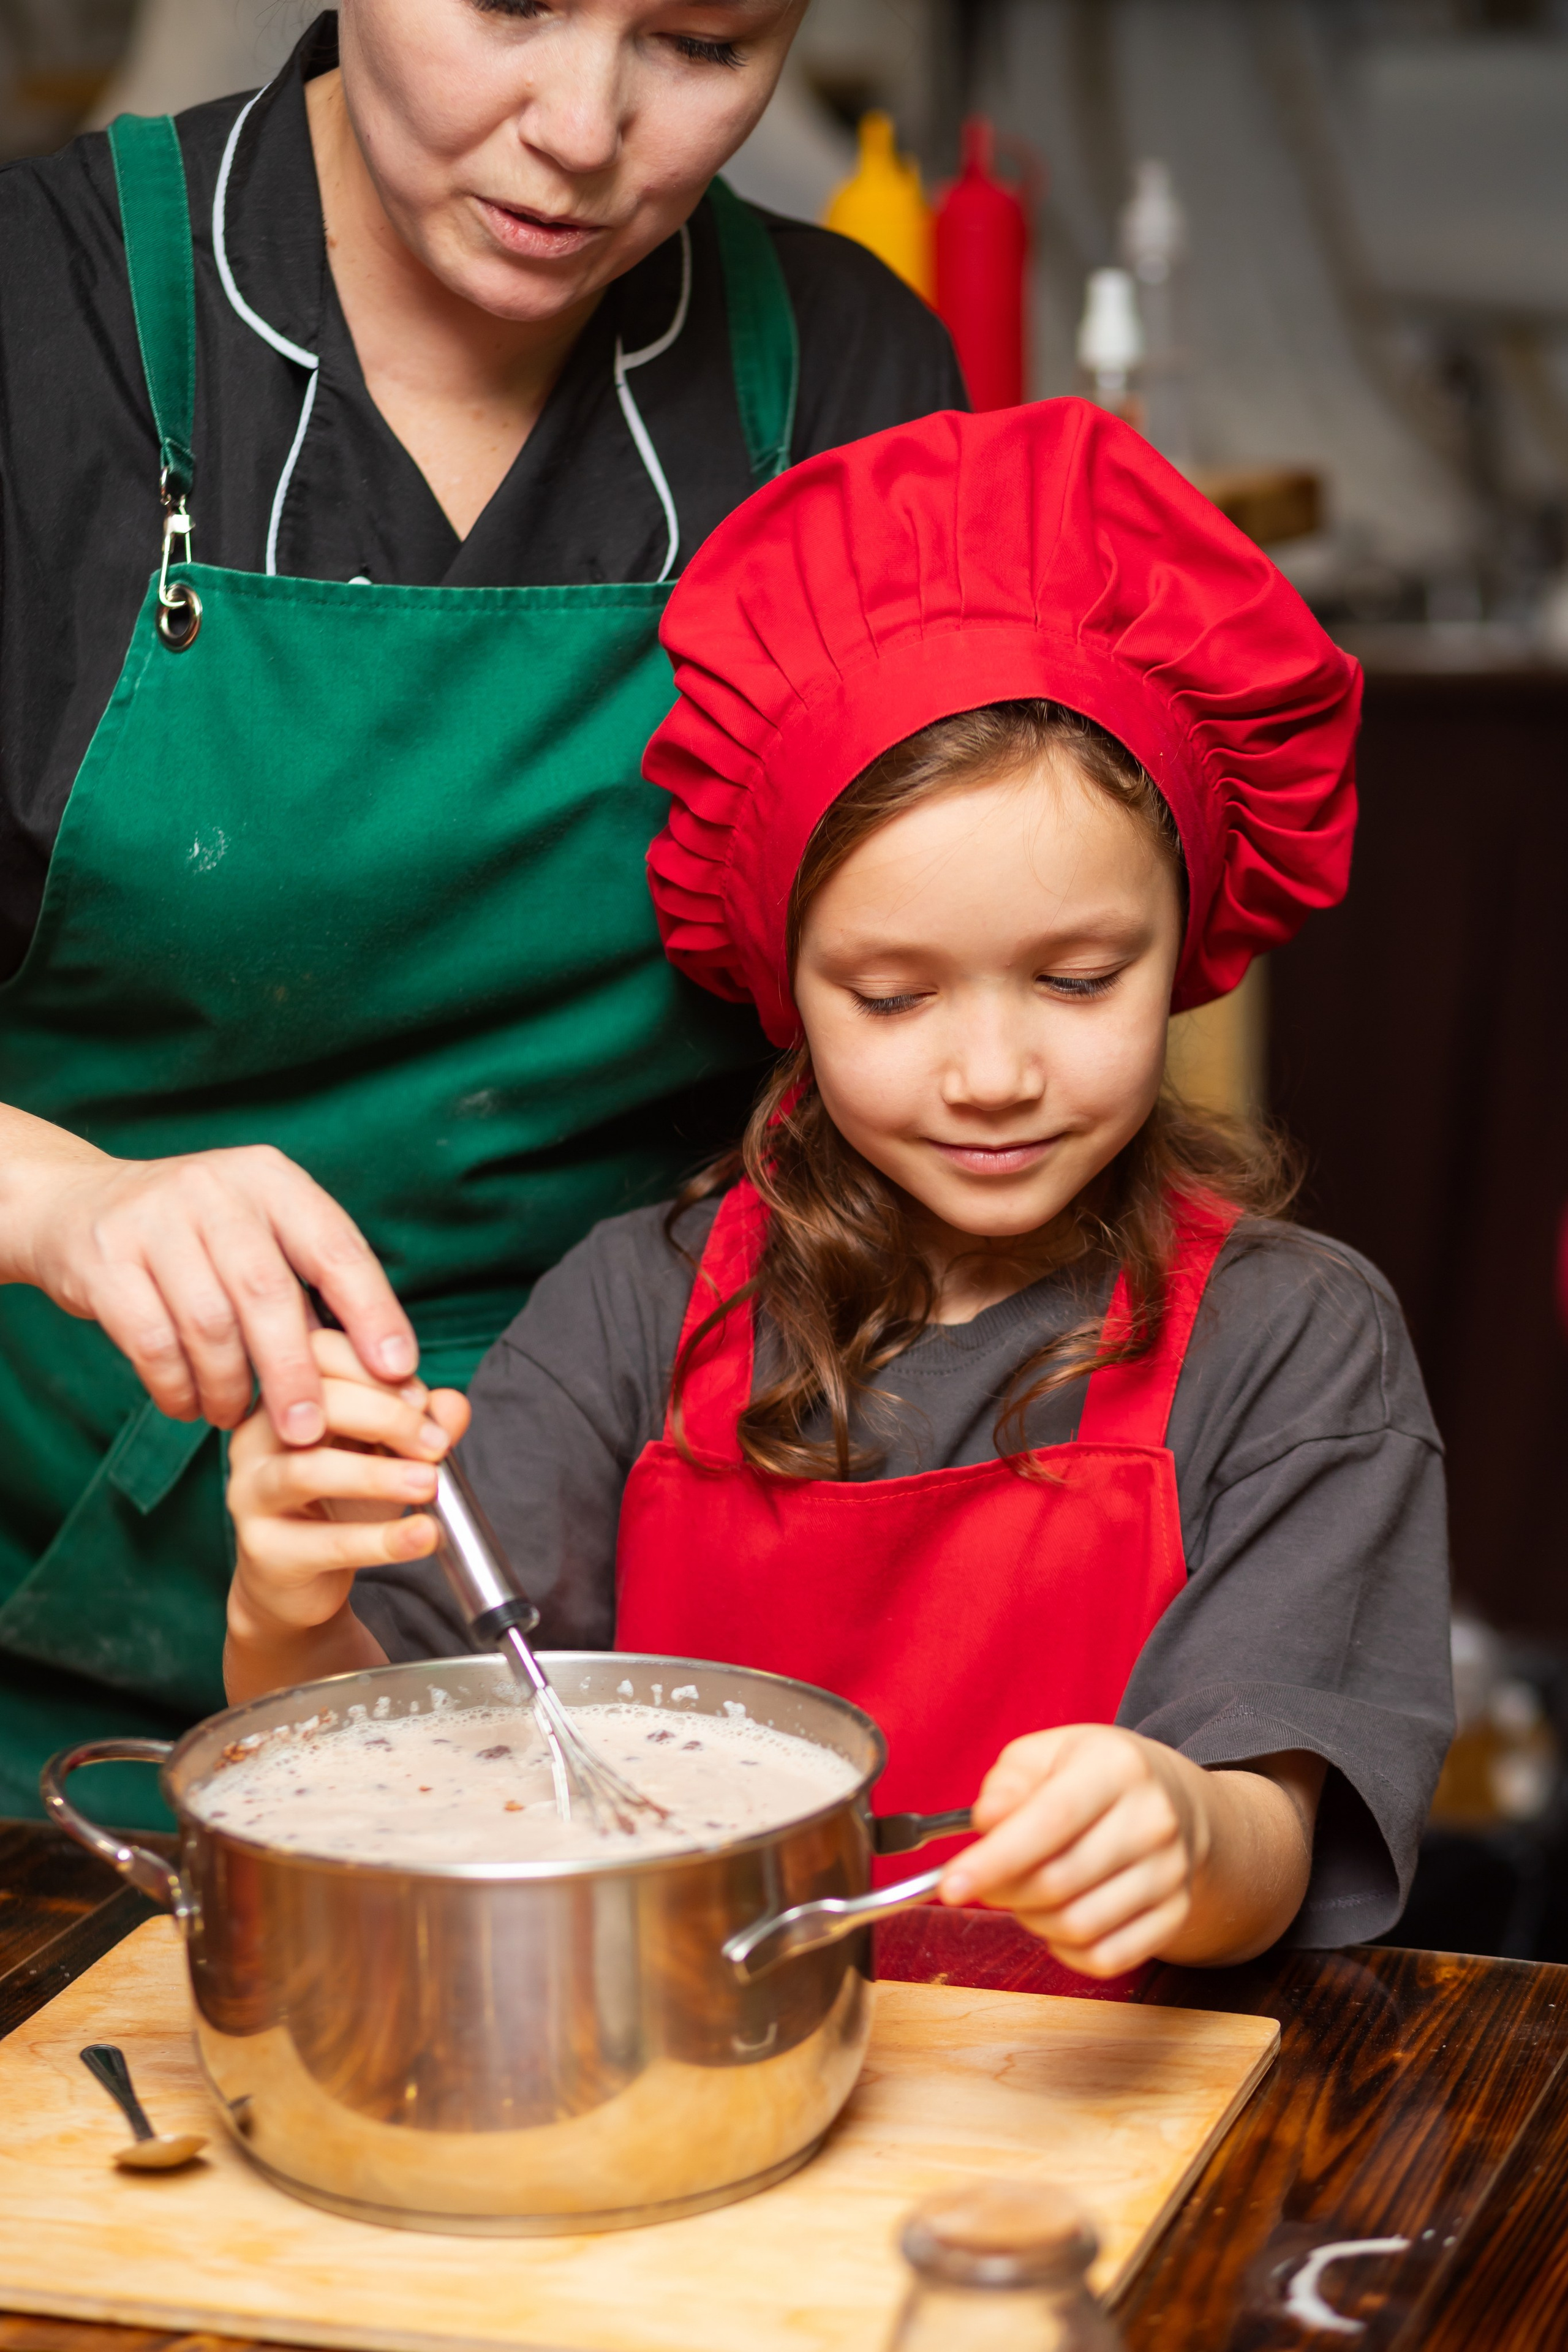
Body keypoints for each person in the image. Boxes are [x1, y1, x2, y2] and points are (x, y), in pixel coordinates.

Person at [225, 402, 1453, 1976]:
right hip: (682, 2102)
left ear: (1186, 946)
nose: (992, 1070)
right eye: (891, 997)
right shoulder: (632, 1309)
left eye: (1077, 979)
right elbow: (370, 1765)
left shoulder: (1294, 1344)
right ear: (782, 980)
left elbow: (1269, 1835)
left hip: (1096, 2147)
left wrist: (1184, 1829)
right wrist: (286, 1607)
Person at [0, 1, 965, 1819]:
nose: (585, 127)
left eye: (701, 41)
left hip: (640, 1681)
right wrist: (61, 1203)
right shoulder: (37, 330)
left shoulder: (848, 389)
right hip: (45, 1700)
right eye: (513, 5)